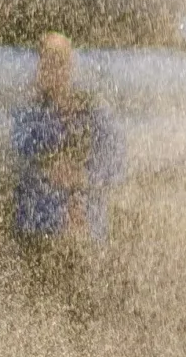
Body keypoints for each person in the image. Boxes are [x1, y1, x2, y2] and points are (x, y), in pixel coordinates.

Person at [10, 33, 120, 279]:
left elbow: (113, 164)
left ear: (71, 65)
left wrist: (83, 177)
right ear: (38, 67)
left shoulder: (93, 111)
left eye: (60, 62)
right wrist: (50, 167)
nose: (54, 69)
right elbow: (21, 152)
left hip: (85, 233)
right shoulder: (28, 112)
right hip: (38, 231)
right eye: (47, 61)